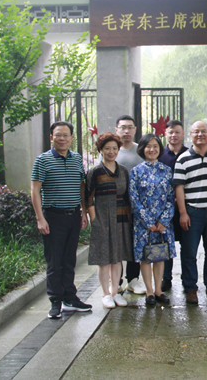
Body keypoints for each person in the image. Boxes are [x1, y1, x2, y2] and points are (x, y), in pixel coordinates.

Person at [31, 121, 92, 319]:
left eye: (66, 135)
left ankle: (70, 297)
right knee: (55, 261)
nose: (62, 139)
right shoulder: (43, 160)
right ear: (52, 137)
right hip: (53, 216)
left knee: (69, 260)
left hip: (73, 216)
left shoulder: (77, 159)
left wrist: (83, 212)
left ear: (72, 138)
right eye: (58, 135)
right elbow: (35, 190)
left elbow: (81, 186)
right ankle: (55, 301)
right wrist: (40, 218)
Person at [174, 121, 207, 305]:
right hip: (192, 212)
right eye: (196, 132)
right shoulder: (183, 159)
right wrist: (183, 213)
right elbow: (179, 188)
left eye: (203, 131)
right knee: (189, 252)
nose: (200, 135)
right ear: (190, 134)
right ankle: (190, 288)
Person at [85, 132, 134, 309]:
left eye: (114, 148)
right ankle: (105, 294)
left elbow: (128, 196)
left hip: (121, 218)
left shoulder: (123, 171)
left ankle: (115, 292)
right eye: (107, 148)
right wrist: (94, 220)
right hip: (102, 218)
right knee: (104, 258)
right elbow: (89, 198)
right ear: (101, 150)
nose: (111, 152)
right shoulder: (95, 172)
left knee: (118, 257)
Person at [129, 134, 176, 307]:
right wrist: (148, 222)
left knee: (160, 255)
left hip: (163, 223)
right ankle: (149, 291)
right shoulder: (136, 171)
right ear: (142, 149)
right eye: (148, 146)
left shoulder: (167, 171)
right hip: (143, 223)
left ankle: (158, 290)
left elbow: (171, 197)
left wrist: (164, 220)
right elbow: (133, 198)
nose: (152, 149)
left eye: (155, 146)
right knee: (146, 257)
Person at [113, 115, 146, 296]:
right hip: (116, 205)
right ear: (116, 129)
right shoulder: (111, 151)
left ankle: (133, 279)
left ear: (135, 130)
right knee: (118, 243)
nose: (126, 131)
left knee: (135, 241)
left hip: (137, 205)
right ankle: (116, 281)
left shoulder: (141, 151)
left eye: (130, 127)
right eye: (123, 127)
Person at [158, 119, 188, 292]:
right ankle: (166, 278)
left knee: (187, 244)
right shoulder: (160, 155)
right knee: (165, 244)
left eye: (177, 132)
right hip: (164, 209)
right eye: (171, 132)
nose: (174, 135)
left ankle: (187, 278)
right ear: (165, 134)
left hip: (184, 208)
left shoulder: (189, 154)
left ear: (182, 134)